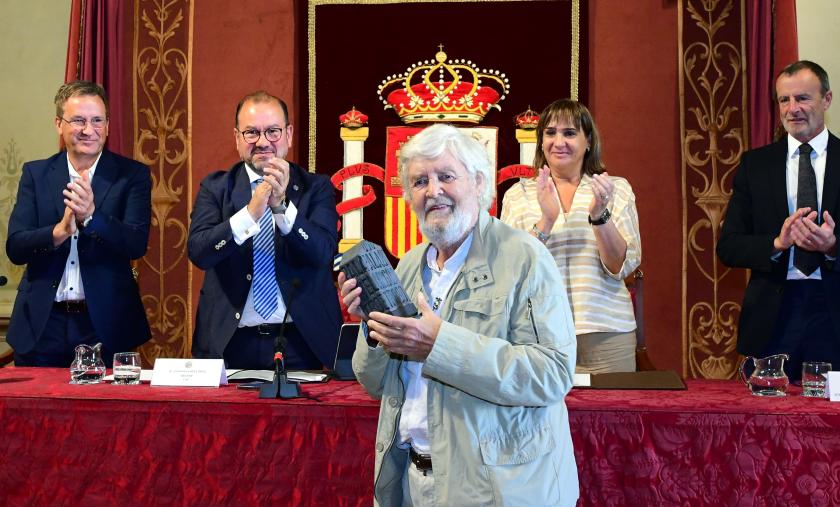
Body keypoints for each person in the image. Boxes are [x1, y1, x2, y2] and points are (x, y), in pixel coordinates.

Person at [339, 124, 579, 506]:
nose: (433, 191)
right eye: (419, 181)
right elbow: (375, 385)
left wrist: (439, 345)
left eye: (446, 176)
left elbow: (552, 374)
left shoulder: (526, 258)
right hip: (412, 482)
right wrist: (374, 330)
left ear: (479, 183)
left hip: (500, 490)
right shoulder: (409, 266)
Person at [717, 60, 840, 380]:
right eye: (784, 100)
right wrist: (777, 243)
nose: (792, 109)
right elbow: (729, 247)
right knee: (768, 428)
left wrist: (835, 246)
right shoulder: (755, 164)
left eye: (802, 98)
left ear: (826, 100)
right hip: (774, 318)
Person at [188, 91, 341, 370]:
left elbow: (322, 253)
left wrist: (282, 207)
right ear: (237, 138)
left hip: (301, 343)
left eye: (272, 131)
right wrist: (250, 214)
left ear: (289, 134)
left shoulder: (315, 187)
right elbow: (199, 252)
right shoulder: (215, 187)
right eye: (251, 133)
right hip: (230, 343)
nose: (263, 142)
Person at [5, 80, 152, 367]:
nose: (89, 130)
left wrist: (92, 218)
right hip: (42, 325)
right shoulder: (36, 174)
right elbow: (15, 246)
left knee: (107, 412)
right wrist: (58, 233)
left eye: (97, 120)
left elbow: (135, 243)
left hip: (106, 325)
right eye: (78, 120)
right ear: (59, 124)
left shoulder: (131, 175)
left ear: (108, 125)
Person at [501, 99, 642, 373]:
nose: (558, 141)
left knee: (613, 416)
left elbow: (620, 267)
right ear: (541, 141)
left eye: (569, 133)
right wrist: (547, 220)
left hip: (607, 334)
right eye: (550, 133)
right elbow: (511, 269)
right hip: (537, 336)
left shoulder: (615, 189)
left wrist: (600, 215)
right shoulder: (518, 195)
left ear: (588, 141)